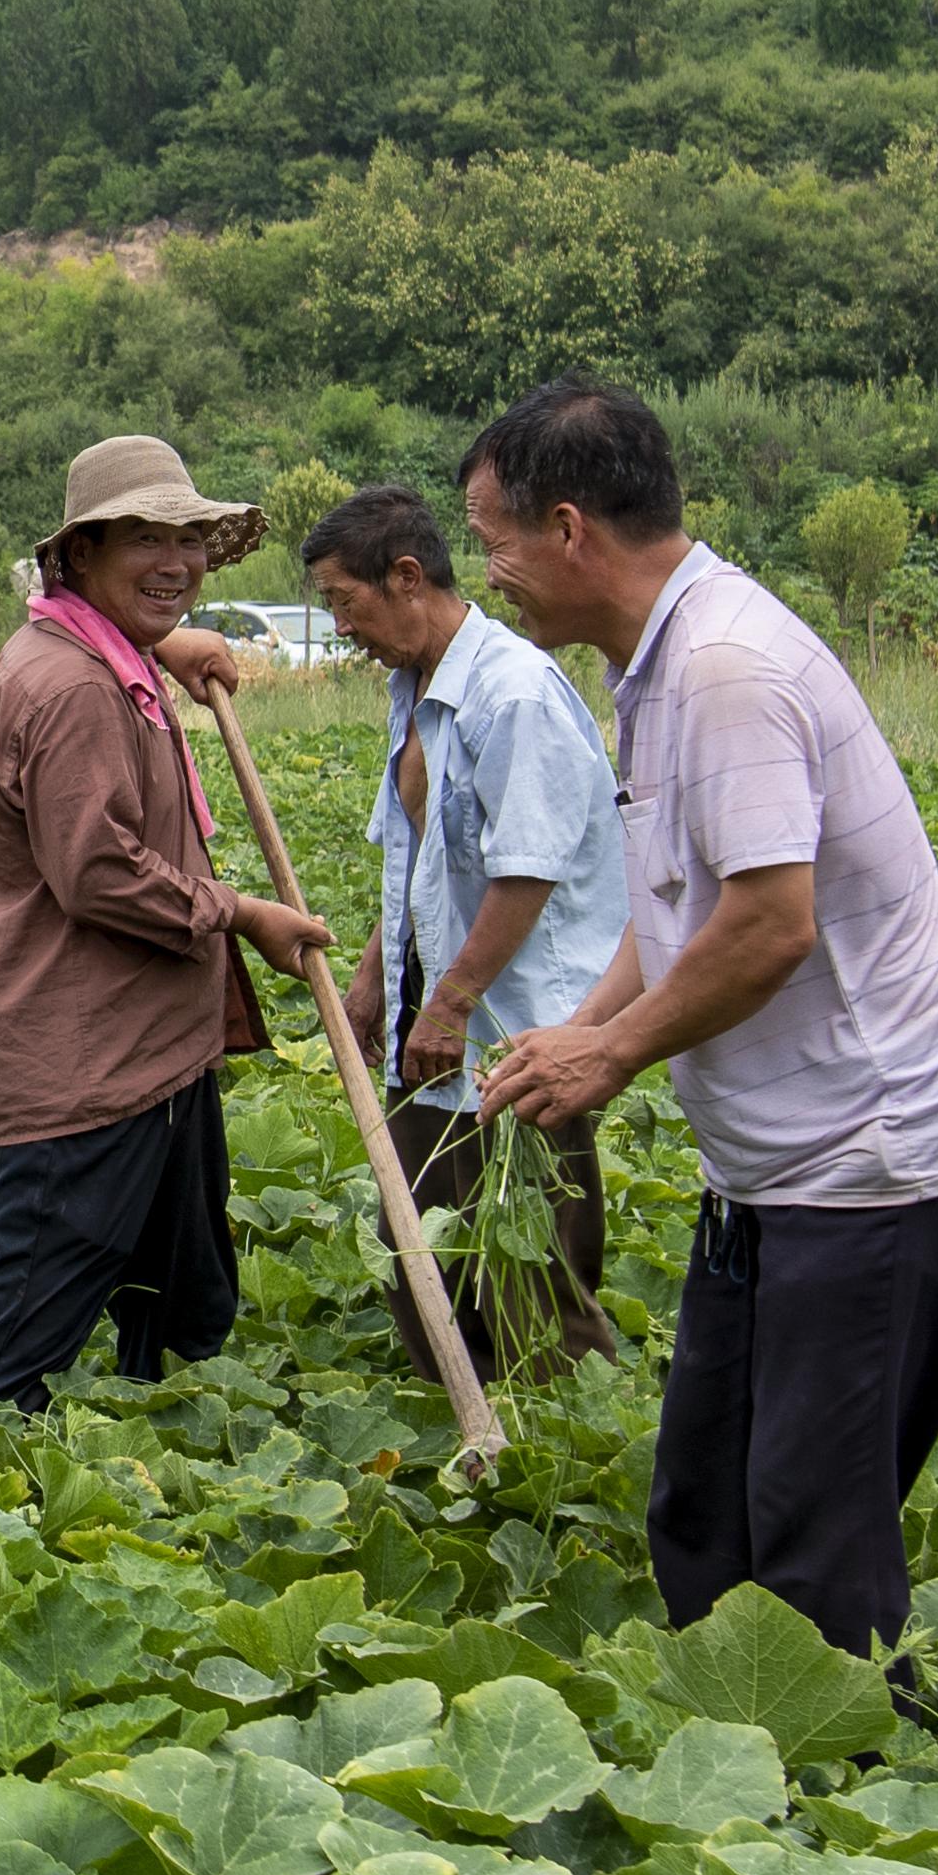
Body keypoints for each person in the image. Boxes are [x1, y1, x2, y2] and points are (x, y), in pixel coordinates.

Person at [470, 382, 938, 1650]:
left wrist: (610, 1050)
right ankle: (723, 1768)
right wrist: (584, 1022)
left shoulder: (720, 665)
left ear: (566, 528)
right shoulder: (651, 663)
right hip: (774, 1173)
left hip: (874, 1170)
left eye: (490, 538)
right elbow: (680, 907)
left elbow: (771, 924)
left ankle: (835, 1808)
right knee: (706, 1509)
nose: (487, 571)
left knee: (811, 1537)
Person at [0, 436, 328, 1409]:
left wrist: (163, 640)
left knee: (184, 1307)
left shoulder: (94, 650)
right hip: (90, 1074)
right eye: (144, 539)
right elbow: (100, 873)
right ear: (80, 556)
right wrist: (240, 914)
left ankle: (162, 1473)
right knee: (20, 1346)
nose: (178, 561)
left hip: (158, 1055)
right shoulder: (71, 687)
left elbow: (127, 644)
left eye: (189, 537)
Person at [299, 481, 629, 1381]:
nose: (341, 628)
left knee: (528, 1262)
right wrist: (376, 980)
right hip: (435, 1022)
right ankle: (473, 1432)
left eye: (344, 601)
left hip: (513, 1029)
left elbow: (527, 872)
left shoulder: (511, 693)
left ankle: (570, 1447)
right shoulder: (415, 689)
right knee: (418, 1248)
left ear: (406, 577)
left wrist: (449, 1005)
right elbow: (412, 857)